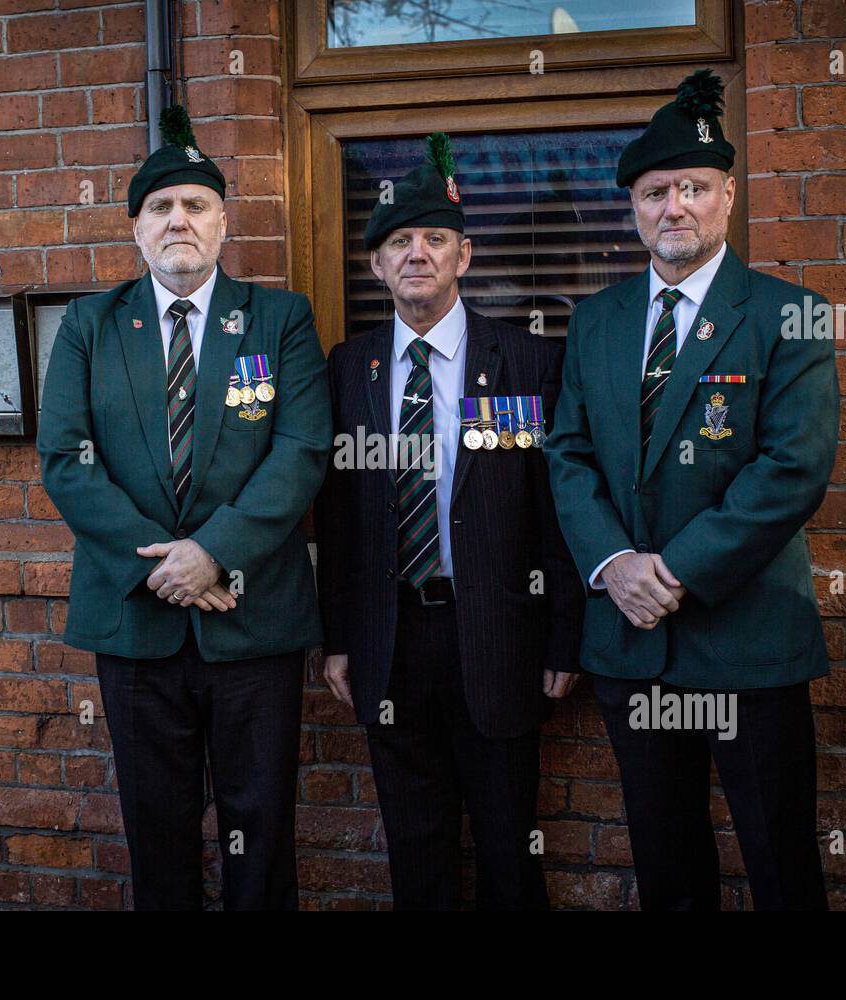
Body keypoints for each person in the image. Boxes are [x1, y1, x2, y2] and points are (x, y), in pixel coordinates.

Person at [544, 70, 839, 910]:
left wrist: (668, 572)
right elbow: (567, 453)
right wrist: (611, 564)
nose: (673, 206)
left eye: (692, 188)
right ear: (633, 206)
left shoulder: (791, 316)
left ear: (728, 195)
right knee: (665, 863)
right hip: (632, 644)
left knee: (780, 858)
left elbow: (792, 471)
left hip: (746, 638)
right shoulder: (596, 319)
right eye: (653, 192)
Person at [37, 106, 331, 910]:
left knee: (260, 824)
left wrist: (213, 550)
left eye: (195, 205)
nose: (179, 221)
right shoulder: (90, 327)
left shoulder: (280, 319)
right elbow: (65, 460)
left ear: (223, 221)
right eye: (160, 207)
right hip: (136, 622)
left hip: (253, 618)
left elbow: (301, 450)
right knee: (156, 830)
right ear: (136, 229)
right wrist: (168, 565)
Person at [316, 133, 584, 910]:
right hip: (390, 638)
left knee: (509, 847)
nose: (417, 254)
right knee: (416, 850)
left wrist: (566, 631)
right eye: (399, 241)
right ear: (376, 265)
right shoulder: (348, 367)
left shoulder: (528, 362)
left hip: (500, 633)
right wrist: (337, 634)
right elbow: (336, 513)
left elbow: (556, 505)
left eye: (435, 239)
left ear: (464, 256)